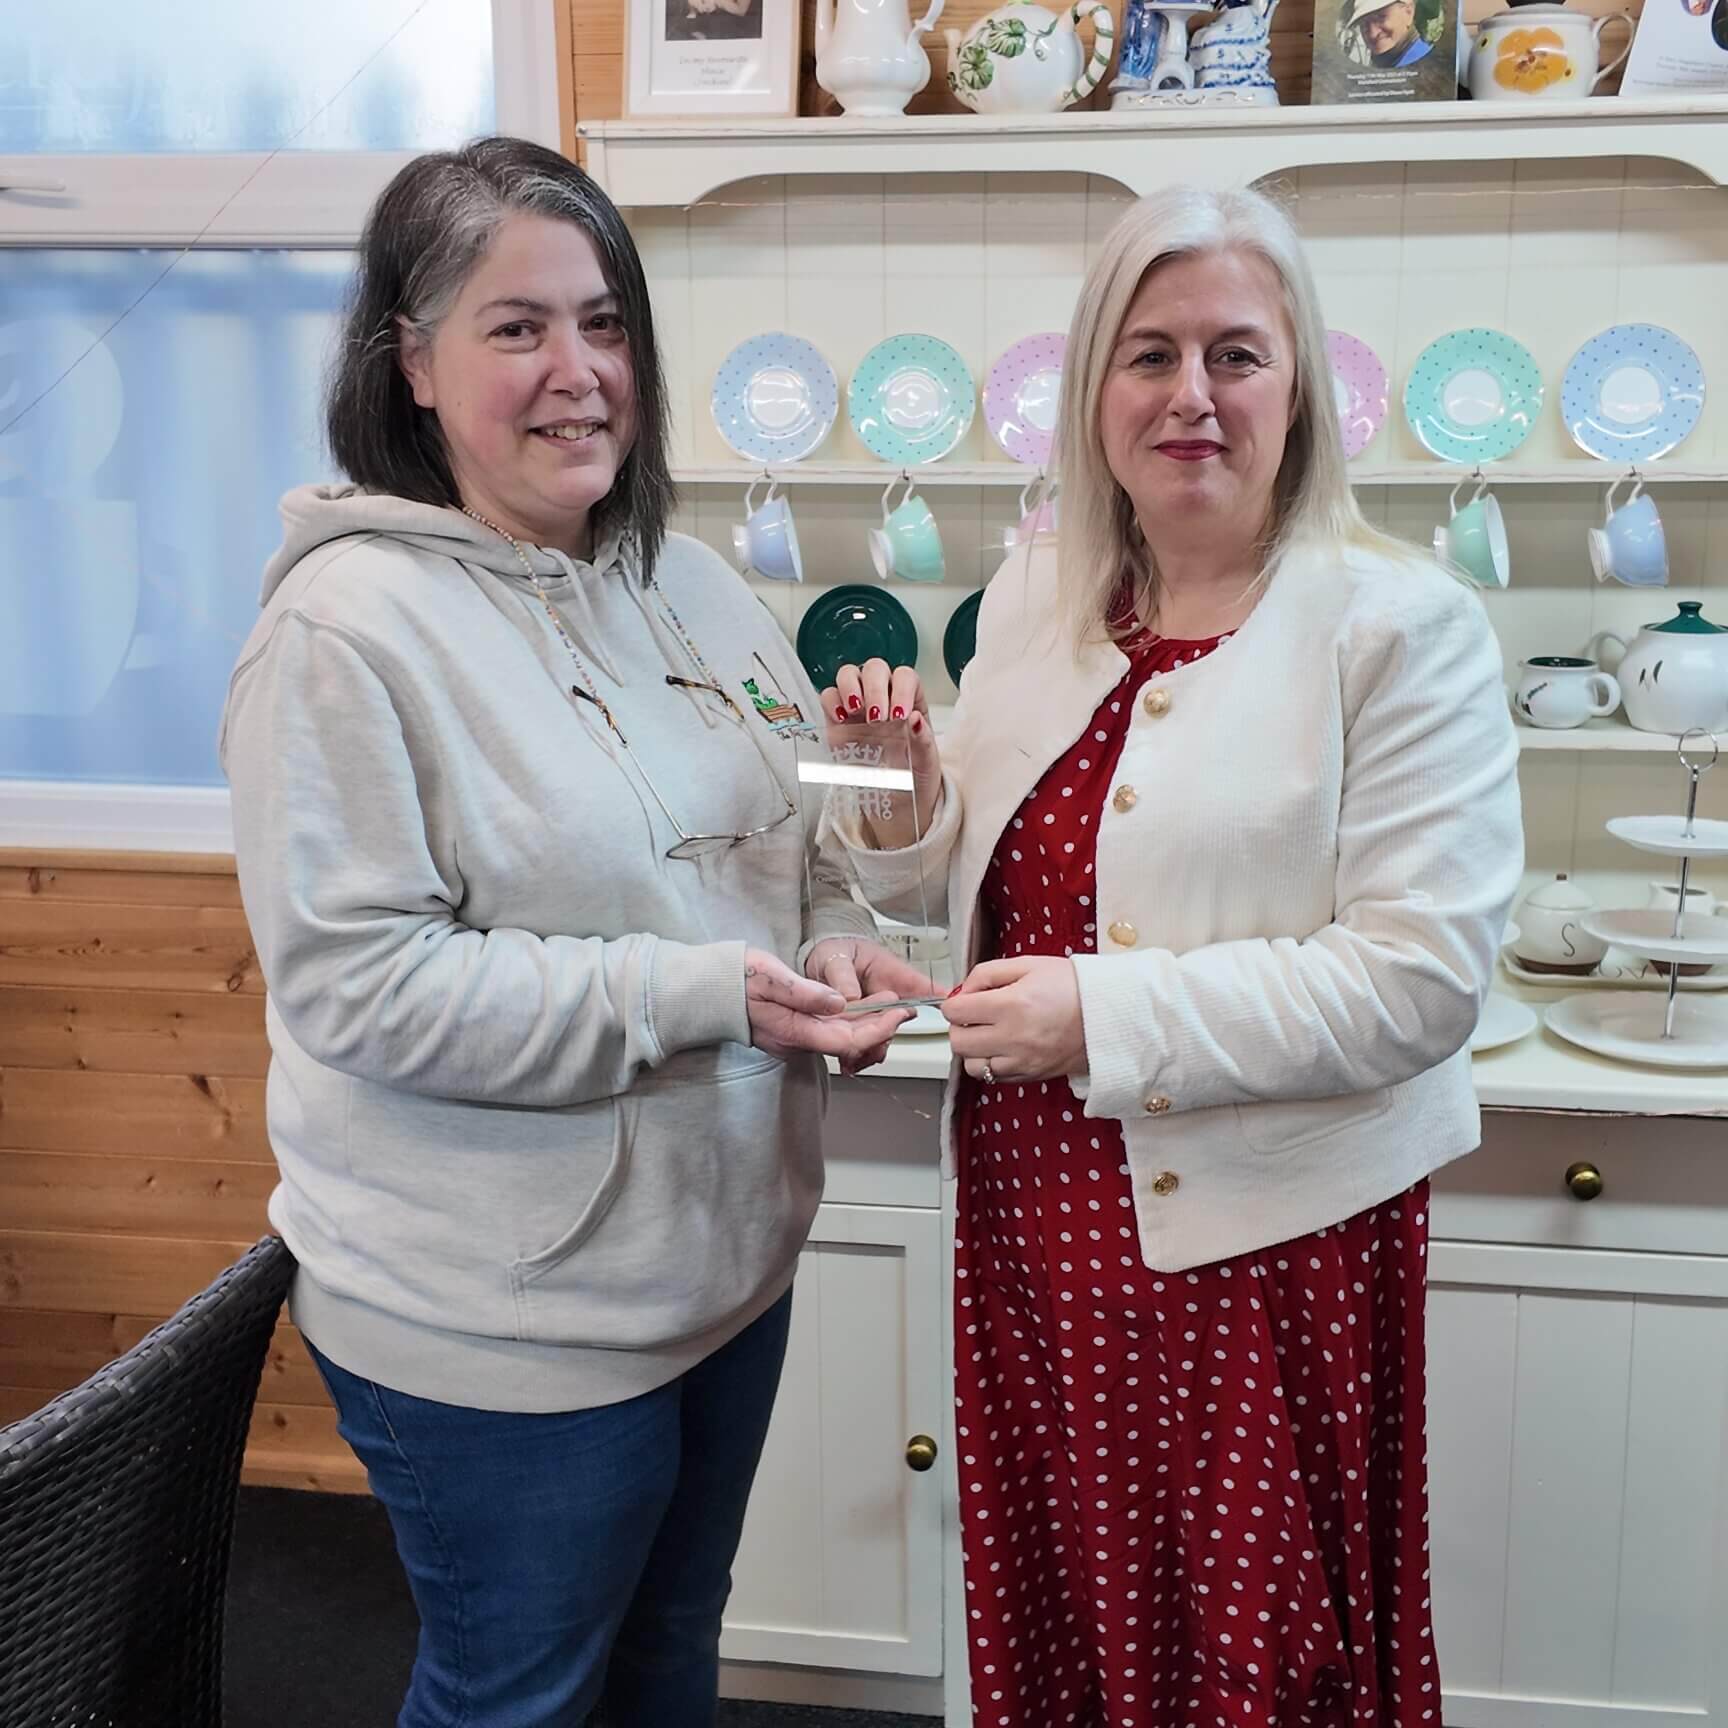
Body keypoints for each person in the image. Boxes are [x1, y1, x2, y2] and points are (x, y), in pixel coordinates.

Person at [220, 136, 926, 1728]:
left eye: (603, 324)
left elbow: (791, 823)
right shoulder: (341, 635)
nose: (579, 372)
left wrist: (861, 867)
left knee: (673, 1659)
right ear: (408, 361)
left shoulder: (691, 580)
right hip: (500, 1317)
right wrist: (709, 994)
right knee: (518, 1695)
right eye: (517, 327)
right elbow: (363, 987)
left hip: (725, 1264)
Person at [823, 185, 1522, 1727]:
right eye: (1148, 354)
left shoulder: (1403, 625)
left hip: (1265, 1248)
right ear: (1093, 391)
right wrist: (899, 801)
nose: (1189, 395)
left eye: (1235, 355)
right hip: (1030, 1215)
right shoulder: (1033, 598)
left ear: (1301, 393)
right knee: (1070, 1606)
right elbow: (971, 891)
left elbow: (1418, 977)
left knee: (1256, 1649)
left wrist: (1100, 1013)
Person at [1341, 0, 1433, 66]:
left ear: (1408, 12)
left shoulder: (1425, 65)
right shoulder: (1391, 61)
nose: (1373, 34)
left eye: (1381, 18)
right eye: (1364, 24)